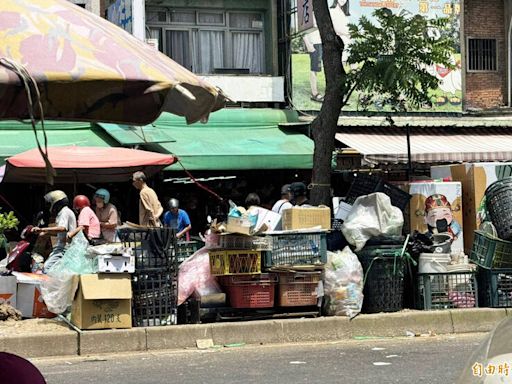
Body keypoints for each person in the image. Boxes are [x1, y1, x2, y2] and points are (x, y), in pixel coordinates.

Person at [33, 190, 76, 273]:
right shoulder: (63, 212)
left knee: (47, 268)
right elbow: (61, 232)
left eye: (51, 203)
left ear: (56, 203)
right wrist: (46, 233)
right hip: (62, 247)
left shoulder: (64, 212)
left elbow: (62, 228)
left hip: (64, 248)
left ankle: (50, 285)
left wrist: (43, 229)